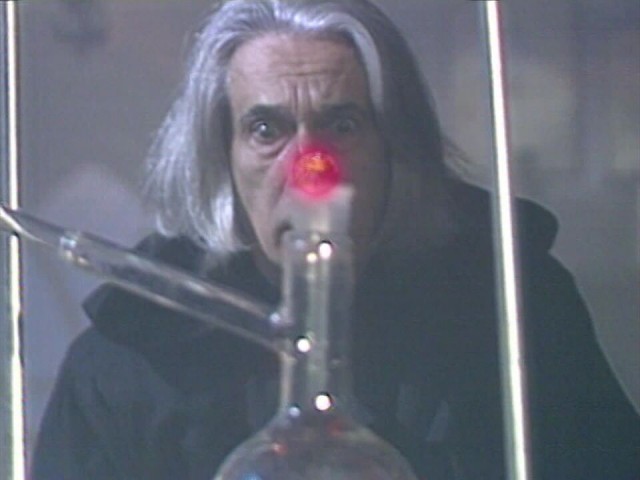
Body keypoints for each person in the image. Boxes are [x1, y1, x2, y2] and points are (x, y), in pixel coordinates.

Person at [32, 1, 639, 479]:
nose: (311, 169)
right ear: (222, 156)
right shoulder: (134, 360)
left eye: (342, 124)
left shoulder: (513, 309)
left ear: (395, 147)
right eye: (266, 129)